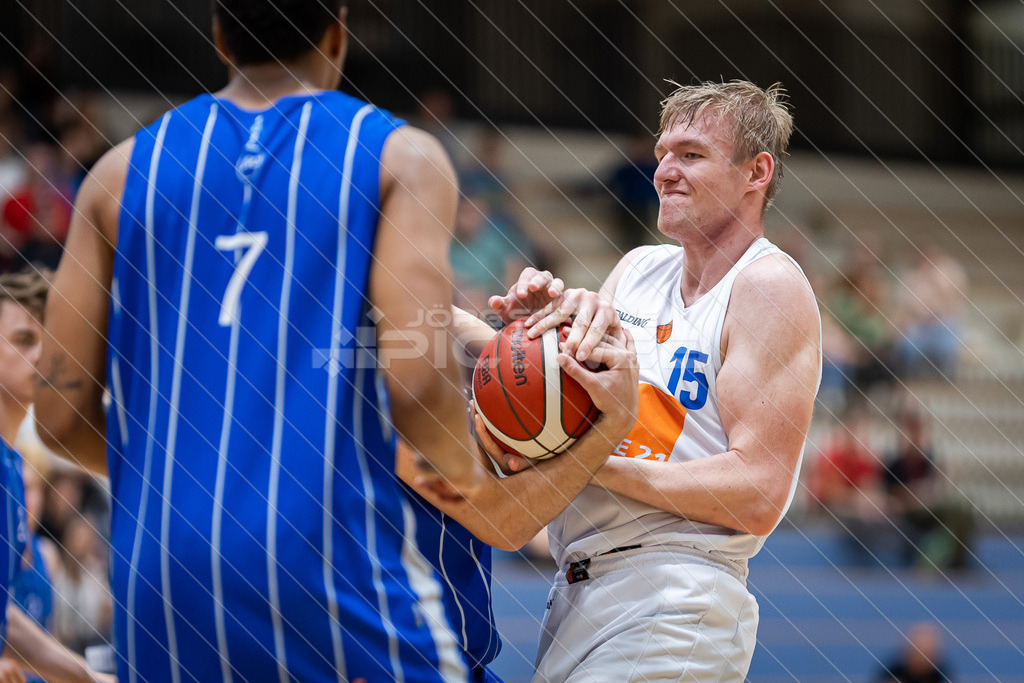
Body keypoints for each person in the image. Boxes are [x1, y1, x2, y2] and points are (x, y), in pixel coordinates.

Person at [35, 2, 489, 681]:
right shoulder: (402, 155)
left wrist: (192, 473)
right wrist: (470, 476)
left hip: (157, 581)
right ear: (337, 32)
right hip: (325, 562)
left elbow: (58, 412)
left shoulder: (118, 173)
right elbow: (419, 382)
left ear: (220, 37)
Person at [492, 80, 822, 681]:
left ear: (757, 172)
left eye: (690, 155)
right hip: (578, 586)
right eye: (662, 152)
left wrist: (591, 466)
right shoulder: (639, 268)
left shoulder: (767, 286)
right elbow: (578, 415)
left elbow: (759, 491)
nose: (663, 170)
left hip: (677, 593)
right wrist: (534, 341)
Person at [0, 268, 113, 681]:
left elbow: (5, 622)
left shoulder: (13, 467)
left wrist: (85, 675)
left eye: (49, 341)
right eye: (24, 340)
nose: (43, 355)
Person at [876, 621, 953, 683]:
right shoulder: (892, 674)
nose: (921, 658)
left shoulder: (942, 675)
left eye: (926, 653)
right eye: (916, 652)